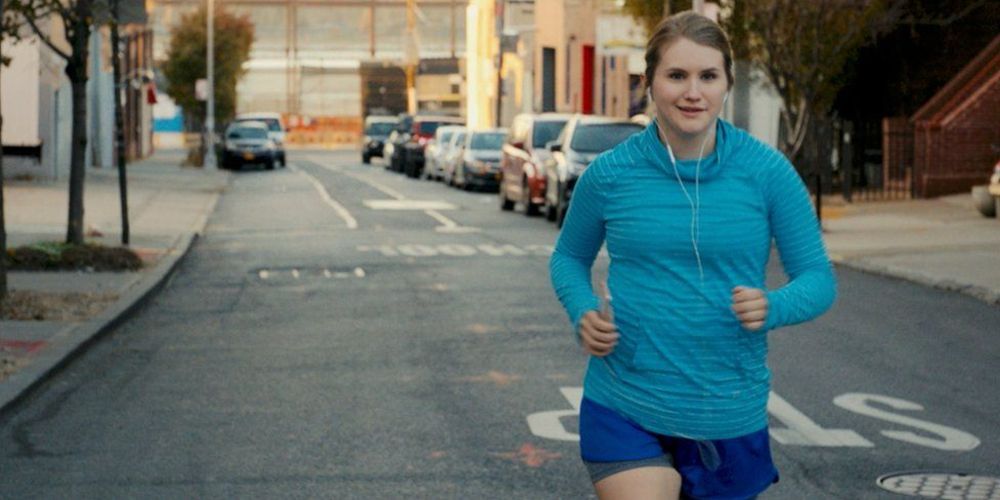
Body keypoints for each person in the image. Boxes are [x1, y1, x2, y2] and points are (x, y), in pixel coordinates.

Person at [549, 11, 837, 500]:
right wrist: (582, 311)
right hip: (623, 400)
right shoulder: (610, 175)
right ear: (650, 83)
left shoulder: (767, 172)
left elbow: (818, 279)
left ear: (726, 82)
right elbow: (568, 259)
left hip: (727, 410)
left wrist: (773, 305)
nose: (692, 92)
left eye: (708, 76)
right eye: (676, 75)